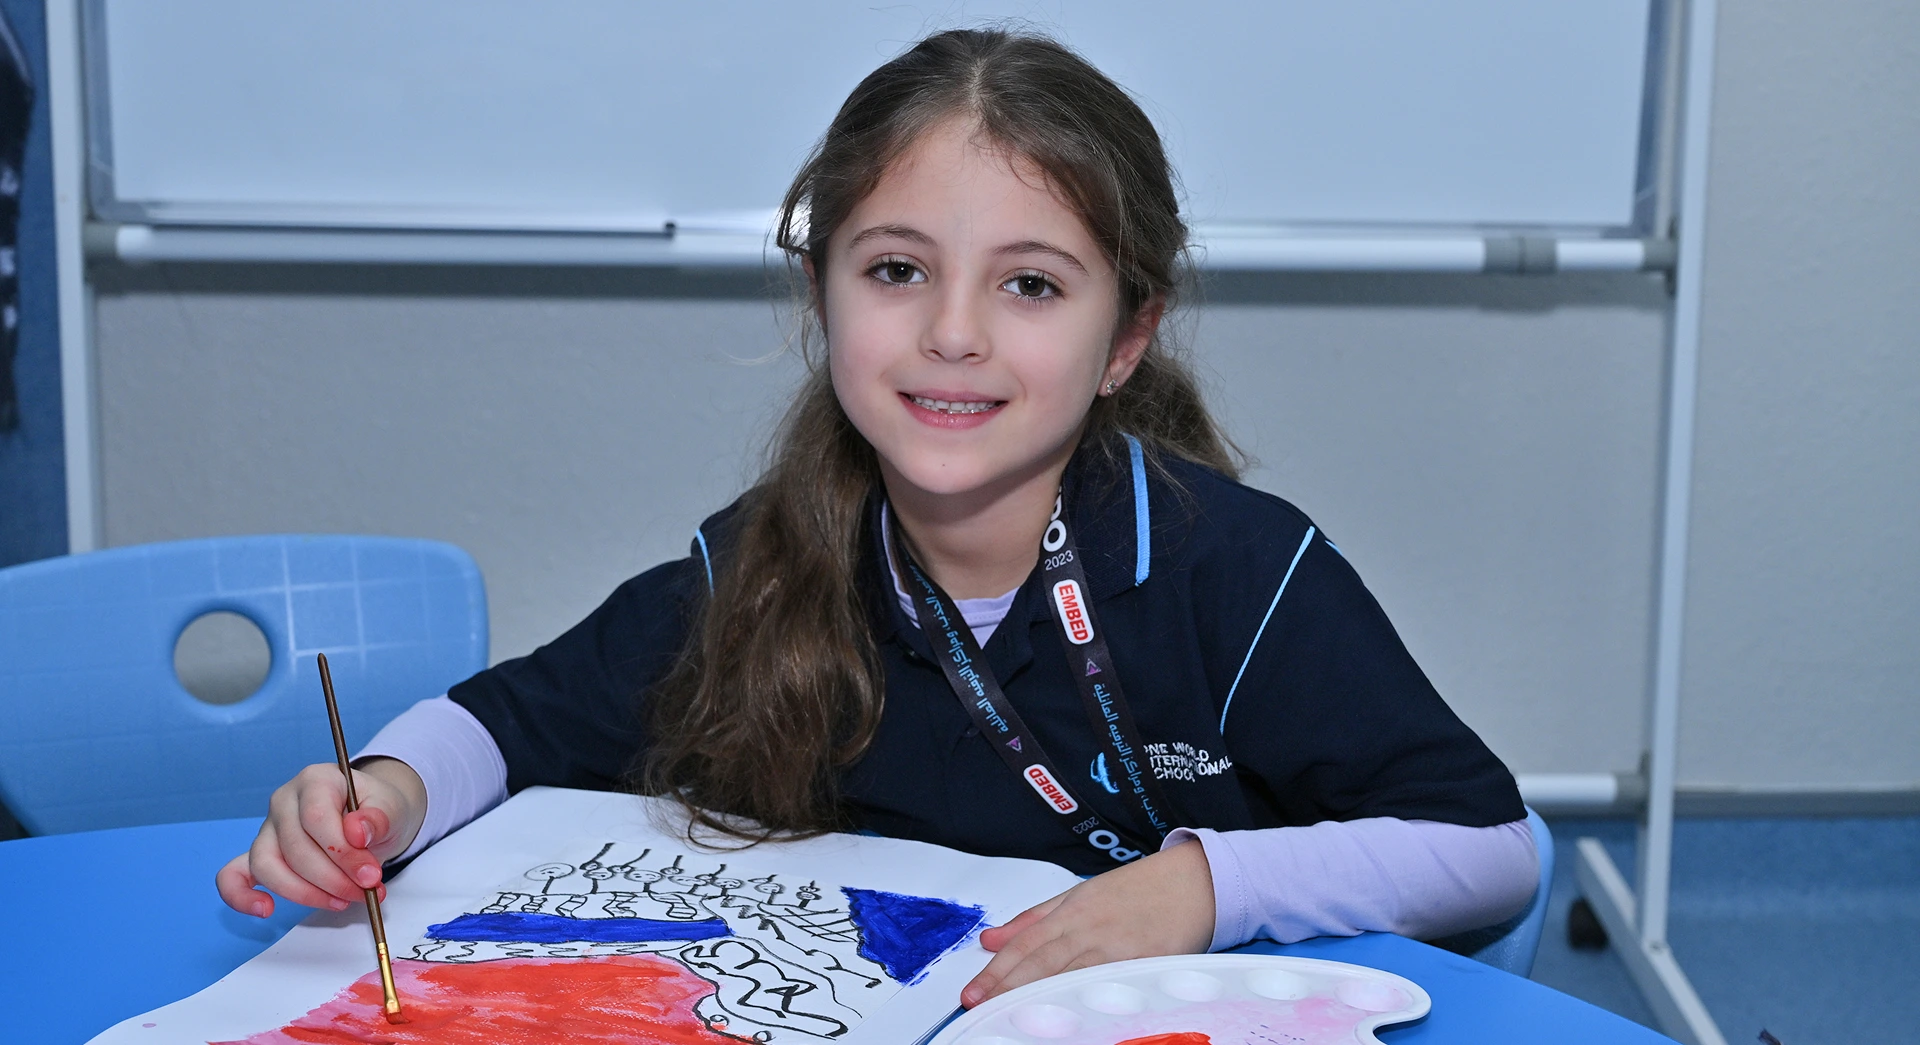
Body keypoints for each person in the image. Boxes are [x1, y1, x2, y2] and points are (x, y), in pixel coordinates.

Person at [216, 28, 1537, 1007]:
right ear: (822, 294)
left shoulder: (1235, 570)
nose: (953, 333)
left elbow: (1488, 850)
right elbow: (504, 726)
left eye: (1030, 285)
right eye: (898, 270)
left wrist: (1205, 887)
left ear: (1128, 337)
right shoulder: (767, 562)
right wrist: (379, 793)